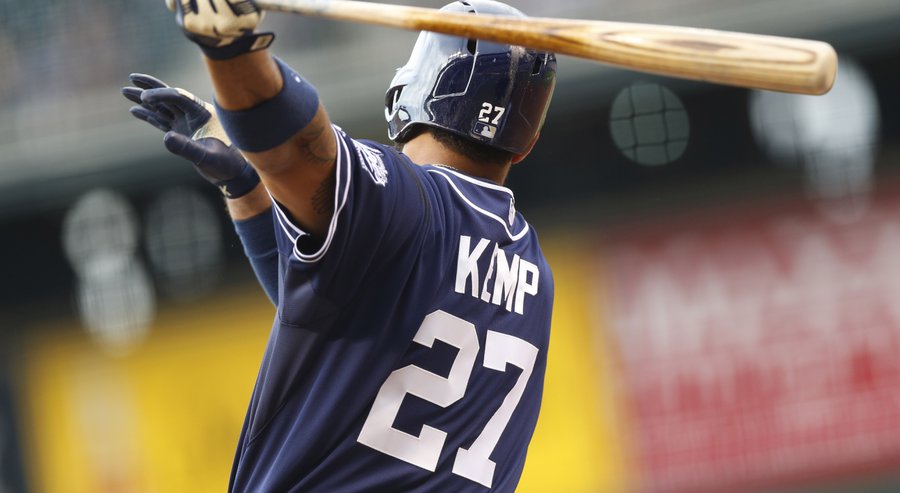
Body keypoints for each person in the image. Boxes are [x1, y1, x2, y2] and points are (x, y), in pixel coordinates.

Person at [124, 0, 557, 490]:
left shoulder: (406, 199)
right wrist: (248, 187)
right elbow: (333, 314)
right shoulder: (532, 267)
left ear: (420, 85)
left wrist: (233, 52)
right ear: (528, 141)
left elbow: (294, 147)